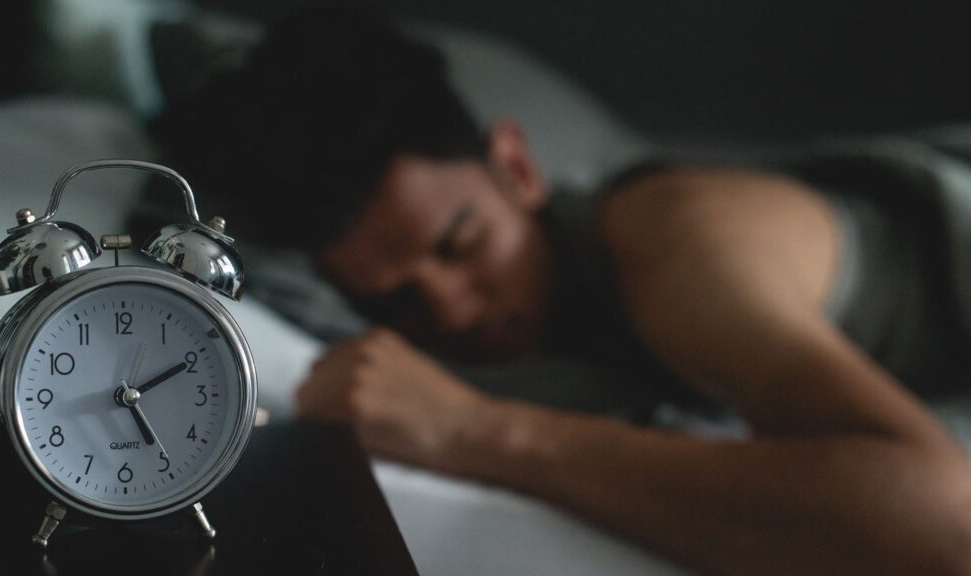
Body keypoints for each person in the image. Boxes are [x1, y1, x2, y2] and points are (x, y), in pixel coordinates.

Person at [150, 3, 971, 575]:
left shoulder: (685, 249)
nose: (457, 312)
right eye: (397, 301)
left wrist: (478, 430)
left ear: (517, 165)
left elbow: (946, 533)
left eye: (461, 243)